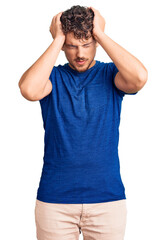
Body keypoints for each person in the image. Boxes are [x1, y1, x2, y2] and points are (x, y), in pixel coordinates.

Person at [18, 5, 148, 240]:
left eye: (87, 44)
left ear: (96, 42)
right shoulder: (53, 78)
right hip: (54, 202)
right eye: (71, 46)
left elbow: (139, 78)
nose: (80, 54)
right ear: (62, 47)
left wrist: (101, 34)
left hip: (107, 201)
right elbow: (28, 89)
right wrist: (57, 38)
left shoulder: (111, 75)